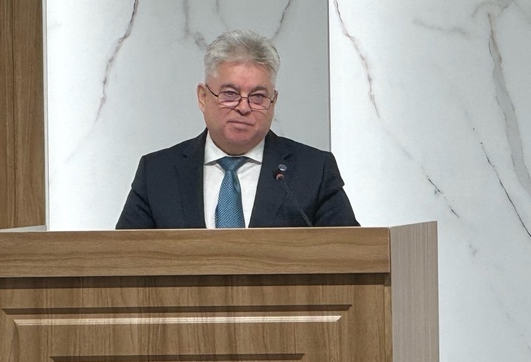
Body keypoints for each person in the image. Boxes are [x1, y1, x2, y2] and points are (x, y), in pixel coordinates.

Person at [115, 30, 358, 229]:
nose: (243, 107)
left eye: (258, 96)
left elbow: (351, 255)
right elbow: (122, 260)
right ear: (203, 97)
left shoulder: (314, 171)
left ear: (273, 102)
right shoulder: (157, 173)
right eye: (230, 94)